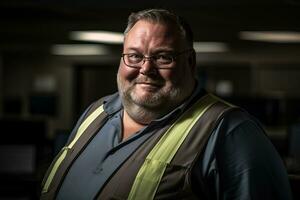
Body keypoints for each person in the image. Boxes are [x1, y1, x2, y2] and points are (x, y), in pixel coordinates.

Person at [41, 9, 292, 200]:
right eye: (134, 56)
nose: (146, 69)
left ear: (191, 63)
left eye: (163, 57)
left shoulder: (231, 131)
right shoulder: (95, 112)